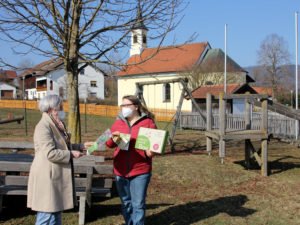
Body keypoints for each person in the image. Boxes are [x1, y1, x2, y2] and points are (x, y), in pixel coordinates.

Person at [27, 94, 90, 225]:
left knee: (55, 213)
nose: (62, 110)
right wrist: (71, 154)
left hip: (56, 176)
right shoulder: (43, 127)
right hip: (47, 177)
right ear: (51, 109)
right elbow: (50, 153)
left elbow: (63, 145)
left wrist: (81, 146)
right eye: (59, 107)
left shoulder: (56, 124)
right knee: (46, 215)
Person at [106, 95, 156, 225]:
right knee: (126, 203)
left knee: (138, 204)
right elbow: (108, 144)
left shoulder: (148, 123)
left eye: (127, 105)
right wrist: (113, 138)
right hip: (120, 170)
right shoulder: (118, 122)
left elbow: (151, 151)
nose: (124, 108)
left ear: (136, 107)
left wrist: (151, 151)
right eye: (122, 105)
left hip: (140, 170)